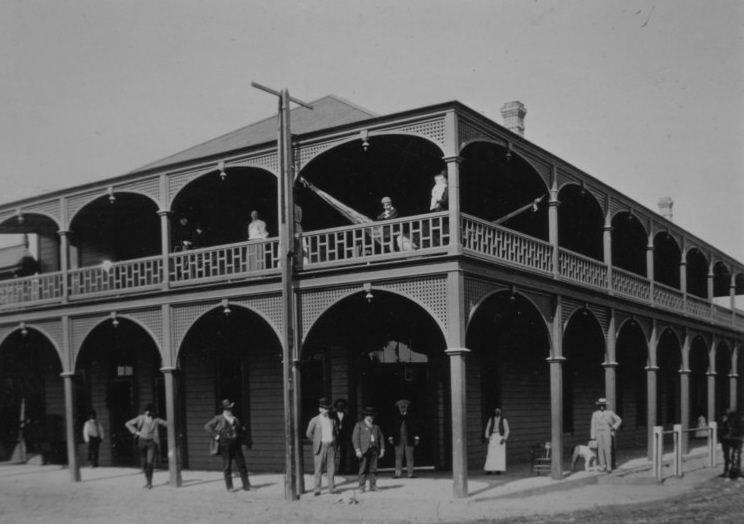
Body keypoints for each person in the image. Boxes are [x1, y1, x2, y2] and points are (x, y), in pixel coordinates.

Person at [204, 399, 251, 492]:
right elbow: (207, 426)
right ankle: (229, 487)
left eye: (230, 409)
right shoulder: (219, 418)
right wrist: (216, 436)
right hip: (225, 443)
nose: (229, 411)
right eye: (227, 409)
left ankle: (246, 485)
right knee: (227, 465)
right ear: (224, 410)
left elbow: (239, 431)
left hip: (236, 443)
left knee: (241, 464)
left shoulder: (235, 419)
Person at [125, 404, 167, 489]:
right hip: (142, 442)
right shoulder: (140, 418)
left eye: (149, 411)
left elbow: (167, 423)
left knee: (150, 462)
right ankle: (147, 480)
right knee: (144, 463)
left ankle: (150, 483)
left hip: (152, 443)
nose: (148, 413)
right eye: (146, 411)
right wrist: (136, 432)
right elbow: (128, 423)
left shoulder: (156, 420)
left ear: (152, 412)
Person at [305, 397, 339, 496]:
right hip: (320, 446)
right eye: (324, 408)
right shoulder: (315, 420)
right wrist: (316, 442)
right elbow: (308, 433)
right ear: (320, 409)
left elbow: (336, 432)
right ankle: (317, 489)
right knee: (318, 469)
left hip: (331, 446)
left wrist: (333, 442)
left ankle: (332, 488)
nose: (326, 410)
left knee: (331, 468)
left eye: (327, 408)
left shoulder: (332, 420)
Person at [352, 406, 385, 492]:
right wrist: (357, 449)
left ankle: (373, 486)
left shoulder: (376, 427)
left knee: (373, 469)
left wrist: (382, 449)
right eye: (369, 416)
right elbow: (355, 438)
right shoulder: (359, 425)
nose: (371, 418)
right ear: (365, 416)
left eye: (372, 416)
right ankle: (361, 487)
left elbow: (381, 437)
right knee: (362, 469)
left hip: (374, 449)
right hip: (364, 450)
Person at [388, 399, 419, 478]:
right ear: (398, 408)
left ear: (407, 407)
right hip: (398, 439)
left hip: (409, 438)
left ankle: (410, 473)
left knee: (410, 456)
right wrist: (390, 437)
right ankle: (398, 473)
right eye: (401, 407)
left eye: (404, 407)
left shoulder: (411, 416)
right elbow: (391, 427)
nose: (403, 408)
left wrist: (416, 437)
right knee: (398, 456)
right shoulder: (395, 416)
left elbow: (415, 427)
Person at [590, 397, 621, 473]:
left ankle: (609, 467)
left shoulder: (610, 413)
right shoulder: (595, 414)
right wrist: (593, 436)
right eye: (600, 405)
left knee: (607, 449)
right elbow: (593, 425)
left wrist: (613, 427)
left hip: (607, 431)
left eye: (603, 405)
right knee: (600, 450)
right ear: (598, 406)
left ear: (605, 405)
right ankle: (602, 466)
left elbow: (619, 420)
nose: (602, 406)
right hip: (598, 432)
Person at [483, 407, 510, 474]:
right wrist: (487, 437)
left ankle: (498, 470)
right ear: (494, 412)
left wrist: (504, 439)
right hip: (493, 436)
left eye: (499, 411)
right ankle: (489, 470)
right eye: (496, 411)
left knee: (499, 454)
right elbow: (487, 428)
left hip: (500, 436)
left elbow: (507, 430)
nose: (497, 412)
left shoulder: (503, 419)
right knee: (491, 454)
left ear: (500, 412)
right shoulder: (491, 419)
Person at [333, 398, 352, 475]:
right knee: (333, 453)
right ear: (336, 407)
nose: (340, 408)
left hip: (344, 437)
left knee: (343, 454)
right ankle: (331, 470)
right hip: (334, 437)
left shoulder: (347, 415)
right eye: (338, 406)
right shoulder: (332, 415)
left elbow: (349, 427)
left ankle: (342, 470)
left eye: (342, 406)